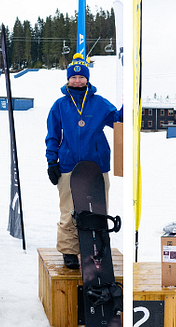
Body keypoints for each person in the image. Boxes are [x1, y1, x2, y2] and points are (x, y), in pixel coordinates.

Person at [45, 53, 123, 269]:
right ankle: (70, 251)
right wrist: (52, 162)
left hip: (97, 166)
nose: (77, 81)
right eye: (73, 77)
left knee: (97, 210)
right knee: (69, 211)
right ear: (68, 79)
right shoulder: (59, 106)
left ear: (87, 78)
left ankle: (96, 247)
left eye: (81, 77)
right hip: (69, 166)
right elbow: (53, 136)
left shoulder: (100, 103)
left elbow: (118, 121)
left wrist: (129, 102)